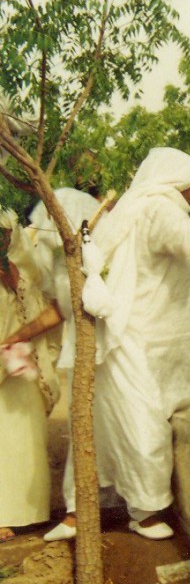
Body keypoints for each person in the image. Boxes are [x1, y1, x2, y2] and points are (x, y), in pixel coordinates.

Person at [44, 147, 190, 542]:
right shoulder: (158, 206)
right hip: (136, 339)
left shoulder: (136, 206)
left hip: (151, 337)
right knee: (139, 424)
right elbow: (189, 243)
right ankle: (142, 512)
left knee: (111, 422)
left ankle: (80, 511)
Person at [0, 208, 61, 544]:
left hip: (20, 370)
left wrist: (18, 285)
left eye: (4, 233)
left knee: (24, 440)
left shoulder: (25, 269)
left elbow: (43, 311)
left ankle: (26, 512)